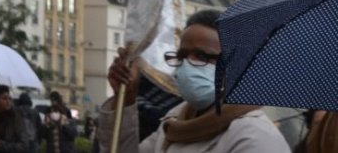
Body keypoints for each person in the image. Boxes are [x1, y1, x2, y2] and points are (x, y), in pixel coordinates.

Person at [97, 9, 290, 152]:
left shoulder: (254, 137)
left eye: (202, 56)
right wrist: (127, 98)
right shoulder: (175, 122)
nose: (188, 64)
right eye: (182, 55)